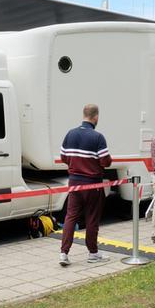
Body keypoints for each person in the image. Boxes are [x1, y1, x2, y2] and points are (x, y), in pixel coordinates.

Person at [58, 104, 112, 266]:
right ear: (96, 117)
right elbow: (106, 161)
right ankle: (93, 253)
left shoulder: (70, 134)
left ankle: (64, 253)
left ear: (84, 115)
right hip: (92, 184)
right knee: (91, 219)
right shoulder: (97, 137)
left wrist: (75, 165)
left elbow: (63, 157)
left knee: (70, 217)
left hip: (74, 183)